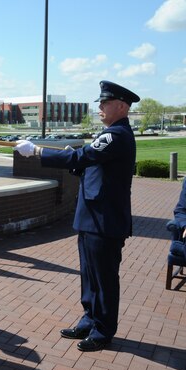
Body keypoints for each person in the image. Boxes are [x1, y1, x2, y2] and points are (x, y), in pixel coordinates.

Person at [14, 80, 140, 352]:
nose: (100, 107)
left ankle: (103, 330)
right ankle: (89, 318)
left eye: (105, 103)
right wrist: (75, 160)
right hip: (92, 216)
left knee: (104, 277)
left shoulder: (116, 135)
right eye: (101, 103)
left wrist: (37, 151)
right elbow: (88, 165)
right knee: (89, 274)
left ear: (121, 106)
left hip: (105, 220)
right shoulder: (109, 134)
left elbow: (82, 157)